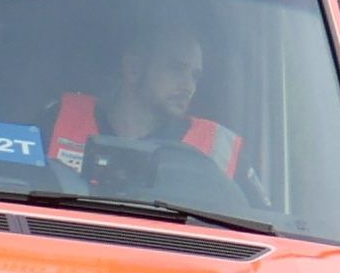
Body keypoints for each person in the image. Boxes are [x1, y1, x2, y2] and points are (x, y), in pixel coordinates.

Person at [50, 25, 247, 188]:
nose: (189, 87)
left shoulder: (219, 148)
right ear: (134, 69)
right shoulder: (59, 118)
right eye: (177, 69)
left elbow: (261, 227)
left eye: (195, 76)